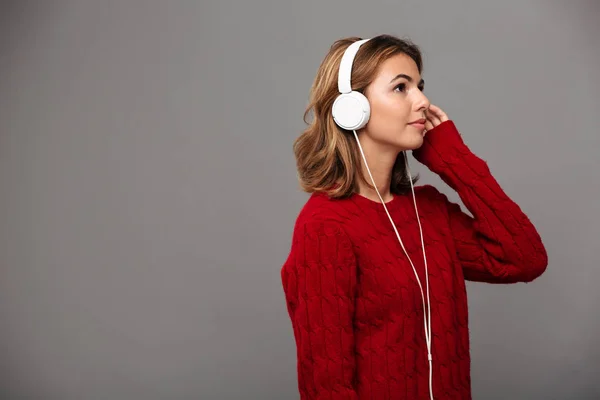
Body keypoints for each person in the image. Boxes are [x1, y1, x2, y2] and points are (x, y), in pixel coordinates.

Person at [280, 34, 548, 400]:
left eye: (420, 87)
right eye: (401, 88)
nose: (423, 101)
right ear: (352, 107)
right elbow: (327, 388)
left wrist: (454, 160)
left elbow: (524, 260)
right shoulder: (325, 228)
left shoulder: (430, 211)